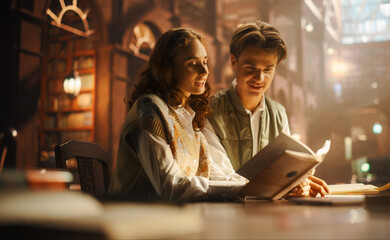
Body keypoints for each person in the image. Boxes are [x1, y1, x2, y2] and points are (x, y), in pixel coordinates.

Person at [109, 28, 245, 201]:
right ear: (169, 67)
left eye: (205, 61)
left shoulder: (188, 117)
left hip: (172, 216)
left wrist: (249, 185)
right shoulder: (149, 109)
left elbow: (213, 174)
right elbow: (171, 186)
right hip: (134, 218)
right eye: (193, 63)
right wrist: (236, 187)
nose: (204, 71)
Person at [203, 21, 329, 197]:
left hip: (269, 215)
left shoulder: (278, 113)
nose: (260, 77)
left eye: (268, 69)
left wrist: (298, 183)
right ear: (233, 61)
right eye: (251, 68)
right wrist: (278, 186)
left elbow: (286, 168)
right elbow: (218, 175)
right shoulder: (209, 111)